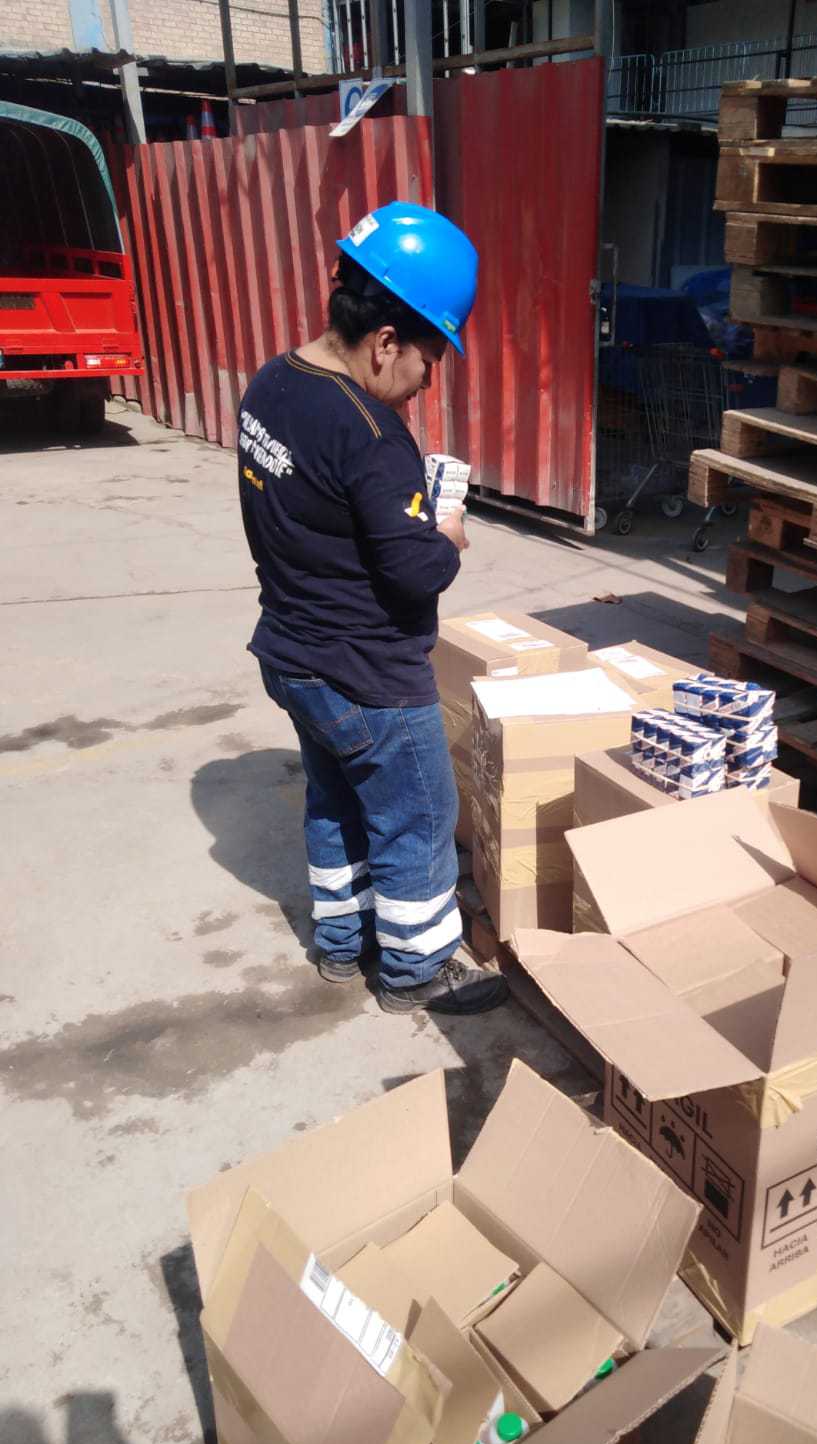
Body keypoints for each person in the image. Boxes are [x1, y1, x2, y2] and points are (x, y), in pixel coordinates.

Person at [237, 202, 508, 1015]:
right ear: (386, 341)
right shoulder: (373, 435)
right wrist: (446, 533)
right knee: (419, 817)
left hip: (292, 655)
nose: (428, 380)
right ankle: (416, 969)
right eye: (430, 358)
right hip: (367, 673)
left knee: (335, 800)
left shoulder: (271, 384)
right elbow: (416, 573)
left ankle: (339, 945)